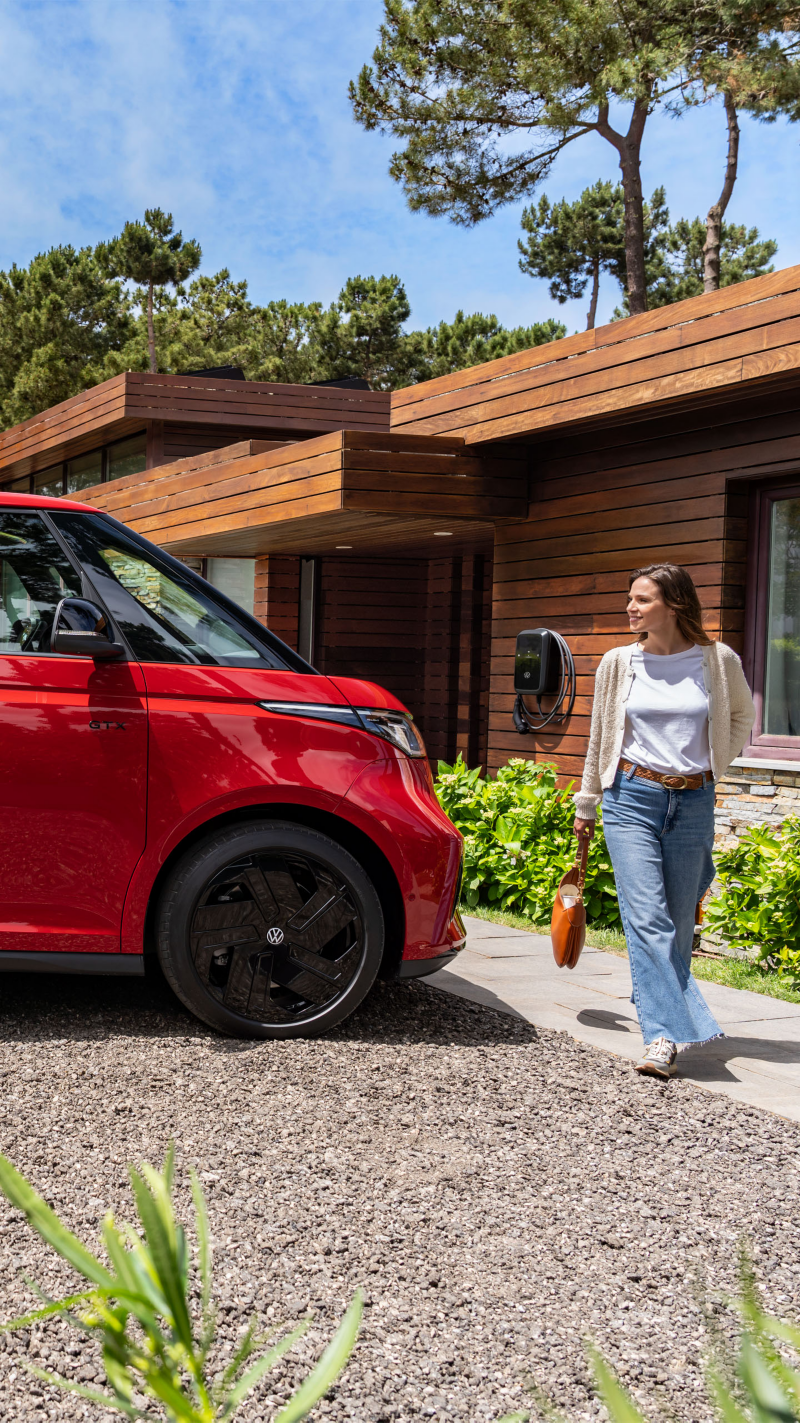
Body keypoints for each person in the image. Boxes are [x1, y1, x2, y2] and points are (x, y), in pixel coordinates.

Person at [573, 563, 755, 1079]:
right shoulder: (616, 662)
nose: (631, 608)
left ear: (674, 604)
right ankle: (661, 1036)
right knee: (647, 917)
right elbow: (599, 738)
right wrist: (587, 804)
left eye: (642, 600)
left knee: (676, 926)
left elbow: (741, 716)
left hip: (694, 800)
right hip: (630, 796)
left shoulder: (717, 661)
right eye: (630, 599)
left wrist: (718, 759)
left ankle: (666, 1024)